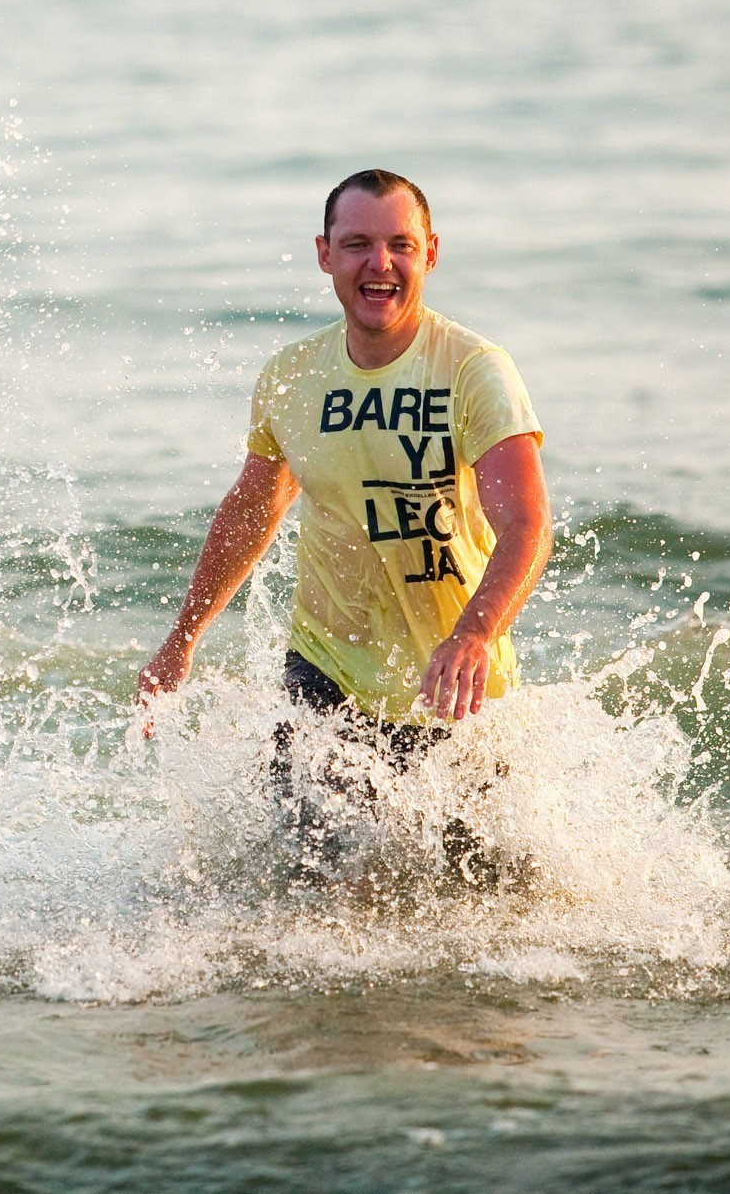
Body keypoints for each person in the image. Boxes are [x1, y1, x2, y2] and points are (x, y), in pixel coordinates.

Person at [138, 170, 551, 878]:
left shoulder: (473, 370)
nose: (379, 264)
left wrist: (475, 633)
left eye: (400, 244)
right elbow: (251, 511)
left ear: (431, 253)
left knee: (486, 898)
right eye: (357, 244)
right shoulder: (292, 376)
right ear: (325, 253)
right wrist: (182, 639)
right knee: (308, 885)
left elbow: (528, 523)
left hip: (456, 686)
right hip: (324, 676)